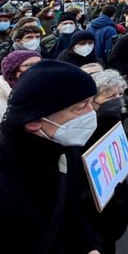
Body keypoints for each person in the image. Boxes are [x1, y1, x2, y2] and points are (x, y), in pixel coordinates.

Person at [0, 60, 103, 253]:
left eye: (91, 101)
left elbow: (75, 210)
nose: (92, 112)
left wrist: (90, 245)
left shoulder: (64, 147)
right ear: (35, 122)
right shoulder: (7, 175)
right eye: (79, 108)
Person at [86, 69, 128, 254]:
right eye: (110, 96)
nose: (118, 100)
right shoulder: (85, 132)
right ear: (92, 101)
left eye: (120, 94)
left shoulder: (115, 117)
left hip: (116, 201)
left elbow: (127, 106)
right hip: (95, 214)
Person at [0, 50, 42, 118]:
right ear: (13, 70)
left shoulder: (42, 84)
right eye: (29, 65)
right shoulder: (2, 91)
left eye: (40, 63)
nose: (37, 68)